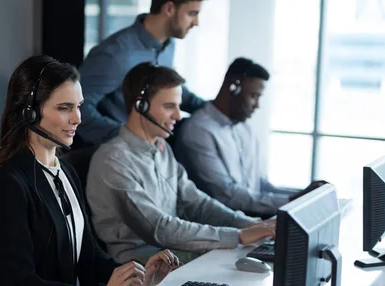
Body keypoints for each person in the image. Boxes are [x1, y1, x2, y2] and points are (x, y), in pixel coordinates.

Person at [0, 55, 180, 286]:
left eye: (78, 107)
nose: (77, 118)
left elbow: (88, 257)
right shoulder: (10, 184)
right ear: (29, 113)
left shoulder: (66, 171)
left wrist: (134, 278)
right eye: (64, 108)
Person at [86, 62, 276, 264]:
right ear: (140, 105)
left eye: (178, 106)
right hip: (140, 265)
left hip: (173, 253)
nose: (178, 115)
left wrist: (252, 225)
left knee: (249, 259)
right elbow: (159, 228)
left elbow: (196, 203)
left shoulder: (162, 148)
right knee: (235, 263)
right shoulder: (113, 160)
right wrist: (237, 236)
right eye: (169, 106)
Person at [175, 57, 326, 218]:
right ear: (233, 88)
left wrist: (305, 195)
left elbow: (260, 186)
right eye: (254, 96)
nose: (258, 105)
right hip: (223, 227)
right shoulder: (199, 130)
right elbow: (227, 196)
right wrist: (293, 200)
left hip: (255, 223)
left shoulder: (245, 129)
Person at [76, 0, 211, 146]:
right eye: (192, 13)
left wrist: (215, 110)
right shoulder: (115, 54)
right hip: (116, 154)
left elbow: (171, 90)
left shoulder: (168, 45)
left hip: (151, 147)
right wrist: (127, 135)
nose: (196, 22)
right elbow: (77, 107)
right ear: (169, 8)